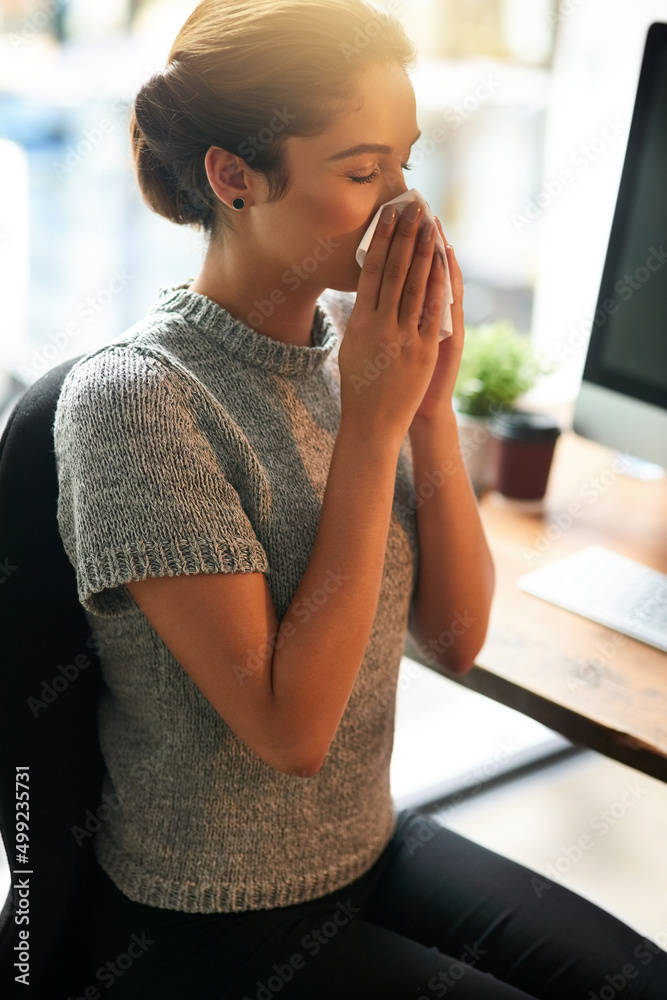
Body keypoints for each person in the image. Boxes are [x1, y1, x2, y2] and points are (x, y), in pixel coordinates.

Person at [53, 1, 667, 997]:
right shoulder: (136, 403)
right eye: (360, 170)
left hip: (364, 848)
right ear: (232, 176)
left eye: (404, 165)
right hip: (206, 922)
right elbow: (292, 732)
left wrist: (425, 413)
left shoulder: (354, 357)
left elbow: (455, 636)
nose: (403, 208)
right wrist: (375, 425)